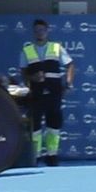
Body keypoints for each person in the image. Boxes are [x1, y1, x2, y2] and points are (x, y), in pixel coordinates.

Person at [19, 16, 75, 165]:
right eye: (37, 30)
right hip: (36, 92)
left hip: (54, 91)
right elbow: (23, 72)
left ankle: (52, 155)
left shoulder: (56, 48)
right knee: (35, 125)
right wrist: (31, 78)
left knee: (54, 124)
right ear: (33, 32)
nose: (39, 33)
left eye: (42, 30)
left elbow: (70, 64)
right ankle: (35, 155)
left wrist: (68, 84)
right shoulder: (27, 50)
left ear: (47, 31)